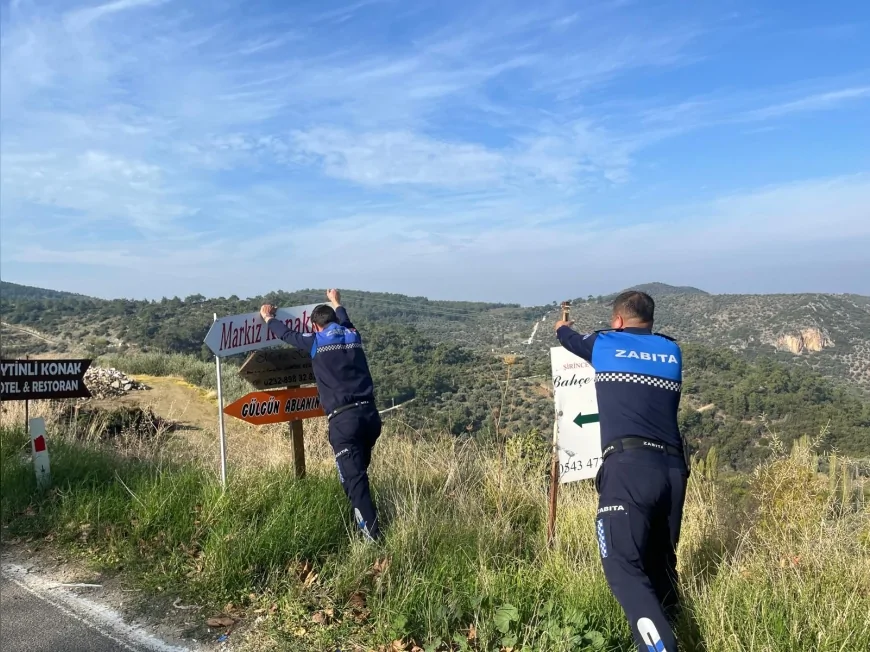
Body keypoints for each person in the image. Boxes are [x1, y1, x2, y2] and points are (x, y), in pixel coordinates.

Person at [554, 290, 688, 652]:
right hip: (674, 471)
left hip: (629, 469)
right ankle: (675, 626)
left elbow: (568, 338)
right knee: (660, 564)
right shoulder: (671, 350)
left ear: (617, 321)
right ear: (651, 320)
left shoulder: (605, 343)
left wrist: (562, 325)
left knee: (623, 568)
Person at [260, 289, 383, 542]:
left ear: (315, 327)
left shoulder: (316, 341)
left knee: (356, 483)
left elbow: (286, 334)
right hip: (370, 417)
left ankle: (373, 541)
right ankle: (362, 525)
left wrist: (268, 318)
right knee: (357, 475)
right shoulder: (352, 333)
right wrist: (337, 302)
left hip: (344, 422)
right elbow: (344, 318)